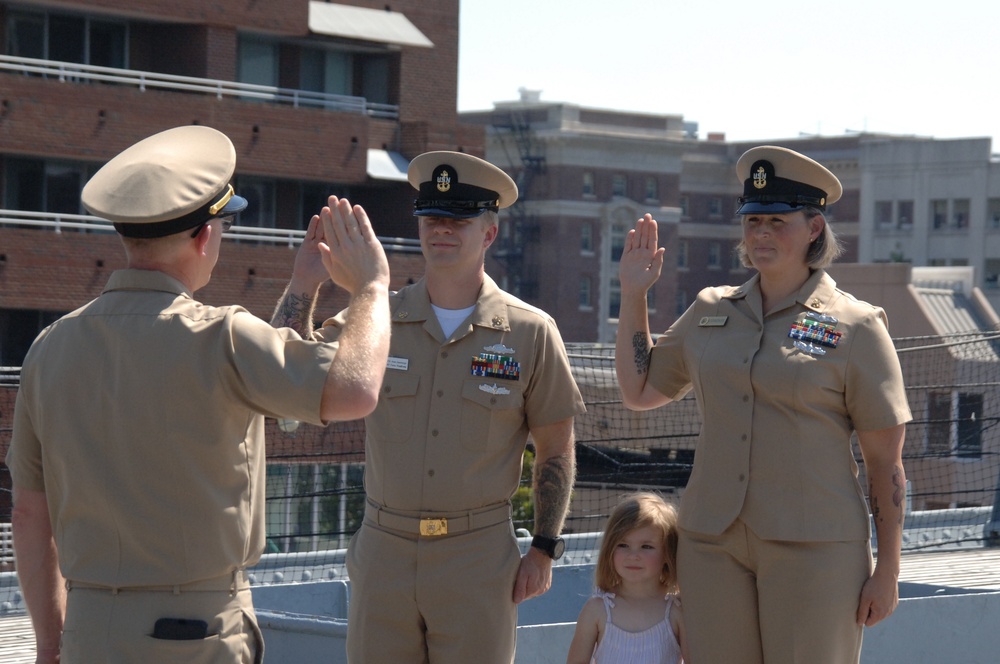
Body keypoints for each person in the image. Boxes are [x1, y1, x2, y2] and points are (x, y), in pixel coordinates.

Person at [6, 125, 391, 663]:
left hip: (90, 632)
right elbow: (354, 389)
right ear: (205, 237)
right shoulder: (222, 336)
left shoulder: (49, 347)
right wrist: (371, 287)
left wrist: (51, 642)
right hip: (196, 631)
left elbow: (28, 513)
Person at [271, 150, 586, 663]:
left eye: (457, 220)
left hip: (478, 558)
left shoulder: (530, 332)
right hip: (384, 553)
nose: (442, 230)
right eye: (432, 218)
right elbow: (285, 384)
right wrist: (304, 283)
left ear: (488, 234)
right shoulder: (375, 319)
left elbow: (556, 448)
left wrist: (545, 547)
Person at [614, 146, 912, 664]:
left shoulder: (857, 326)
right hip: (713, 545)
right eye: (753, 221)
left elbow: (886, 463)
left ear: (814, 227)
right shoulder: (711, 310)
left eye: (778, 221)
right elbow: (640, 391)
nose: (761, 234)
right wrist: (633, 293)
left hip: (816, 549)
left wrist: (887, 570)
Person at [566, 492, 688, 664]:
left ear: (667, 553)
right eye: (623, 545)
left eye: (646, 546)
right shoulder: (597, 610)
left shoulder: (677, 610)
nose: (633, 555)